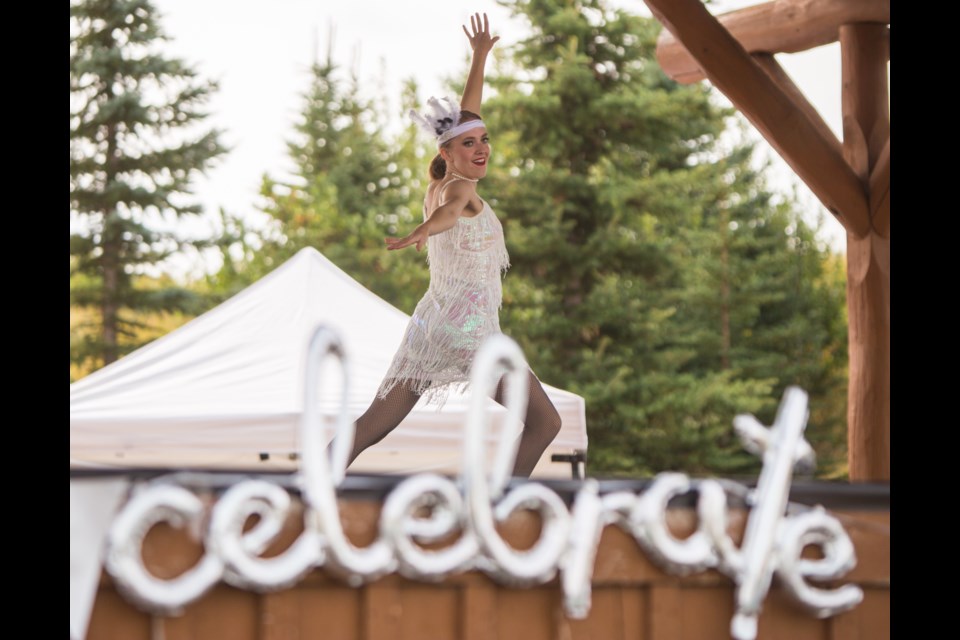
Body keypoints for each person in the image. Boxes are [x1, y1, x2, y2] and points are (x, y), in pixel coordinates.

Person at [343, 13, 561, 478]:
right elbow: (449, 212)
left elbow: (466, 114)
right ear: (447, 152)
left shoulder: (447, 178)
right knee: (545, 422)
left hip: (432, 324)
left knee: (372, 426)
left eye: (485, 140)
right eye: (469, 144)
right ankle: (499, 505)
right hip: (472, 336)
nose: (481, 149)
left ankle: (313, 481)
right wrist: (425, 230)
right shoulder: (457, 191)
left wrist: (480, 56)